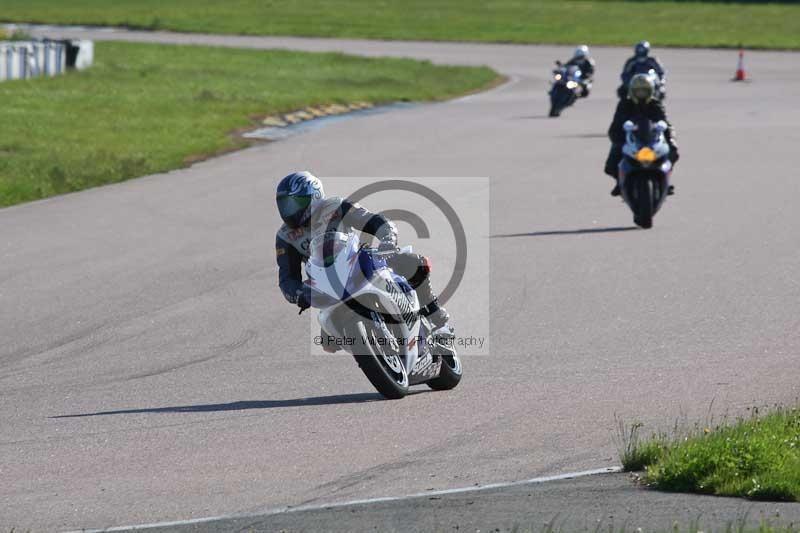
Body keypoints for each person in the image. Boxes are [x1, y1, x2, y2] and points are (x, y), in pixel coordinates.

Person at [274, 171, 451, 337]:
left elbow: (374, 221)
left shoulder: (337, 206)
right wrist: (298, 294)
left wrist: (387, 240)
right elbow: (287, 277)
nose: (289, 211)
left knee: (413, 263)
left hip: (357, 260)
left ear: (315, 195)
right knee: (328, 341)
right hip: (326, 283)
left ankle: (437, 319)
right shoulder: (285, 237)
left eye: (294, 203)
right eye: (284, 205)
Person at [604, 74, 679, 196]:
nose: (641, 93)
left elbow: (665, 122)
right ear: (632, 91)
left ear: (651, 91)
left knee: (672, 152)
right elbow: (616, 125)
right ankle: (620, 182)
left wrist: (670, 138)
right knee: (612, 164)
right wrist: (618, 138)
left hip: (651, 139)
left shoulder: (655, 104)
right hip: (629, 139)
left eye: (644, 90)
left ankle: (665, 180)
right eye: (638, 90)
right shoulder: (624, 104)